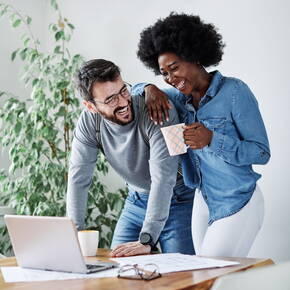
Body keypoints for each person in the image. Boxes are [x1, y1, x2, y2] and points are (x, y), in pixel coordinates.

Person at [133, 13, 270, 257]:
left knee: (212, 274)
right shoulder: (176, 99)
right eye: (163, 73)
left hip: (237, 200)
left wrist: (213, 140)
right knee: (206, 275)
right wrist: (148, 88)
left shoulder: (234, 91)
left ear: (194, 56)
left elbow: (261, 152)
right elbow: (131, 91)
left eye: (174, 68)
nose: (170, 78)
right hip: (202, 199)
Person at [66, 58, 195, 257]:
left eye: (123, 90)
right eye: (110, 99)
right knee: (118, 270)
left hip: (177, 199)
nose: (124, 102)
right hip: (135, 200)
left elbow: (164, 177)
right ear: (91, 106)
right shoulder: (89, 123)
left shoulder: (160, 110)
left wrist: (147, 238)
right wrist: (72, 234)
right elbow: (78, 178)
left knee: (182, 276)